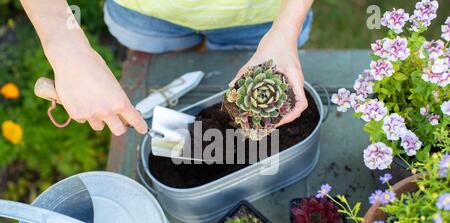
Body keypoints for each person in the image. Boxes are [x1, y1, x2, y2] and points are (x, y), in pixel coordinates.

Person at [21, 0, 314, 136]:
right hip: (144, 14)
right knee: (171, 60)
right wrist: (68, 51)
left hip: (265, 16)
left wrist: (286, 28)